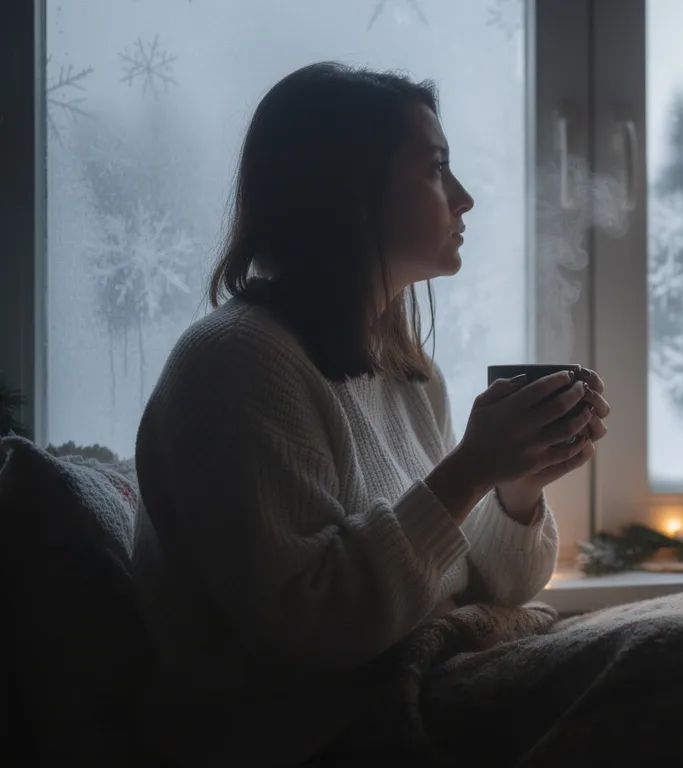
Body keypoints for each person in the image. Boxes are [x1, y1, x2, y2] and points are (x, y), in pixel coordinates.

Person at [129, 62, 609, 767]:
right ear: (348, 193)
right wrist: (470, 469)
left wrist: (517, 486)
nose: (464, 198)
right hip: (305, 736)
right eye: (437, 170)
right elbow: (307, 626)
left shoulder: (405, 374)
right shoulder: (237, 364)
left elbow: (491, 583)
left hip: (419, 687)